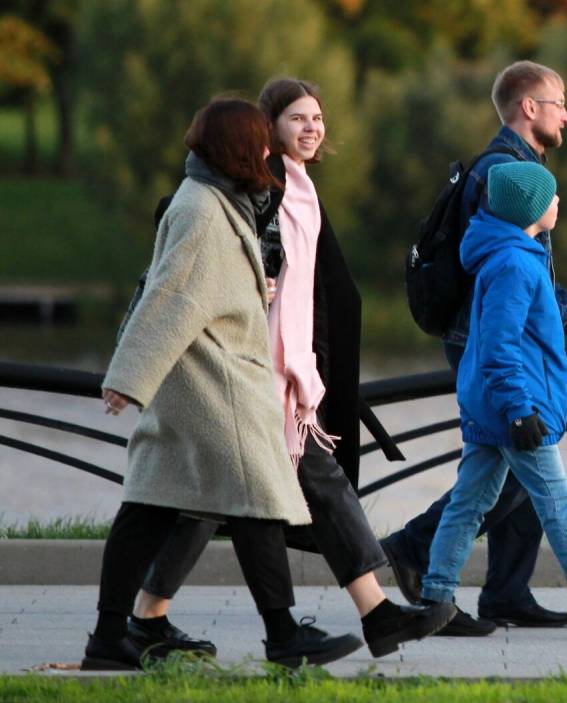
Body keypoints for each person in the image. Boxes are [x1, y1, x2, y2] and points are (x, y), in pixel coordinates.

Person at [127, 79, 455, 661]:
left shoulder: (300, 187)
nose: (312, 128)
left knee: (228, 501)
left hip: (288, 373)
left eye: (318, 119)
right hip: (252, 371)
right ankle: (348, 619)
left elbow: (314, 292)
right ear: (268, 126)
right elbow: (207, 254)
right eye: (298, 118)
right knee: (275, 494)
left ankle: (146, 619)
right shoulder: (262, 187)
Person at [84, 96, 362, 670]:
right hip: (213, 382)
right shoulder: (203, 210)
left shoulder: (214, 199)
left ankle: (111, 640)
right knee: (256, 502)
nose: (269, 150)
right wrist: (129, 378)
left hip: (204, 378)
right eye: (260, 140)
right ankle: (284, 638)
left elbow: (202, 286)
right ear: (240, 146)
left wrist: (245, 288)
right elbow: (172, 297)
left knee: (150, 509)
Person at [380, 61, 567, 635]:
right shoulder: (502, 171)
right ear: (530, 107)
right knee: (515, 462)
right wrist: (560, 309)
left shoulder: (520, 167)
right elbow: (500, 269)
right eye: (559, 102)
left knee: (517, 464)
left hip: (502, 336)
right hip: (488, 342)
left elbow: (529, 261)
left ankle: (505, 591)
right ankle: (413, 549)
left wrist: (560, 303)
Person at [415, 161, 567, 638]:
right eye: (551, 197)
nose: (558, 203)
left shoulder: (512, 255)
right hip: (512, 408)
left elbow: (525, 329)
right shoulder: (513, 263)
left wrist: (563, 344)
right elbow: (500, 346)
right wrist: (520, 410)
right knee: (556, 502)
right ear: (530, 208)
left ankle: (435, 601)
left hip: (496, 404)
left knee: (469, 504)